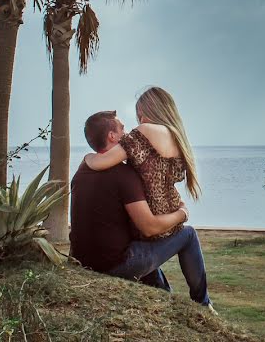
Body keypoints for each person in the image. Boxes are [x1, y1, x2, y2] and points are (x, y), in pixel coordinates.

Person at [70, 110, 213, 309]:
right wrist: (182, 214)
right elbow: (150, 227)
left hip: (84, 262)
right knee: (188, 235)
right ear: (112, 136)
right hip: (113, 266)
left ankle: (164, 296)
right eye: (122, 129)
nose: (127, 134)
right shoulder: (124, 175)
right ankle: (203, 304)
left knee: (140, 245)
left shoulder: (82, 170)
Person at [83, 86, 201, 241]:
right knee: (189, 235)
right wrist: (182, 212)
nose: (140, 120)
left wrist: (88, 157)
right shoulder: (178, 138)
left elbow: (100, 162)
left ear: (153, 111)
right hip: (170, 219)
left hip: (152, 224)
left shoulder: (146, 130)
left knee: (189, 235)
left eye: (141, 115)